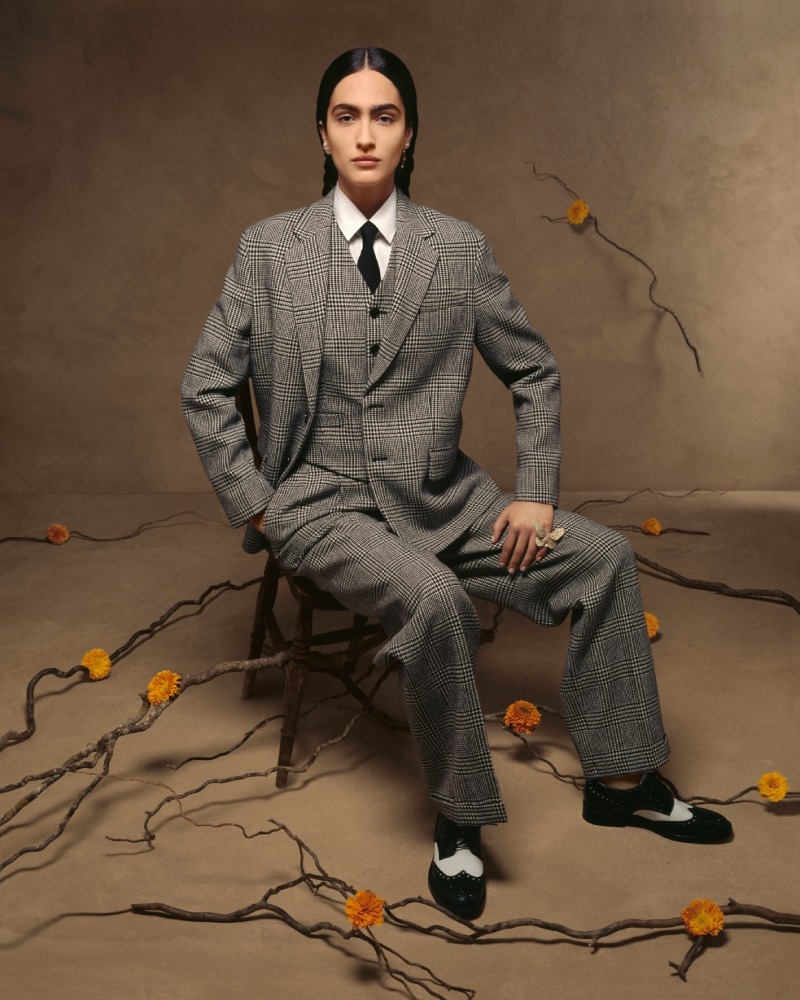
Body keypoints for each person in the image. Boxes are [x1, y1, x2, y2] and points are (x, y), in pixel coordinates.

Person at [181, 47, 732, 920]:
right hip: (320, 506)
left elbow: (533, 371)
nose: (366, 134)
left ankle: (622, 780)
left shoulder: (459, 249)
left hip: (445, 498)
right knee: (434, 599)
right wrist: (256, 502)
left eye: (385, 116)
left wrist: (536, 490)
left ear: (409, 135)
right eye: (348, 117)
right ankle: (460, 816)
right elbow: (206, 384)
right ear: (322, 135)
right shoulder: (269, 250)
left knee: (603, 559)